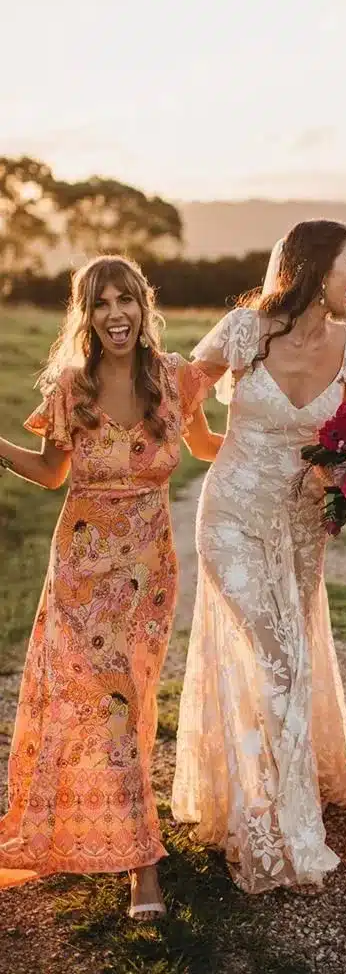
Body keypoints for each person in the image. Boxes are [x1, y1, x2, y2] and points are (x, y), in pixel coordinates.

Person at [0, 256, 221, 921]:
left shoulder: (175, 380)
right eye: (101, 304)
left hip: (147, 572)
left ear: (143, 304)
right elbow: (48, 470)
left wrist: (290, 447)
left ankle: (125, 845)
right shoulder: (71, 387)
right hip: (79, 568)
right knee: (94, 701)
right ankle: (138, 865)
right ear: (87, 316)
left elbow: (208, 445)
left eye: (125, 299)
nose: (115, 314)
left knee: (129, 703)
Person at [172, 219, 346, 894]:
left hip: (301, 528)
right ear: (316, 270)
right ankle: (283, 833)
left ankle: (257, 798)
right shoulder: (241, 330)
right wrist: (208, 443)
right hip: (230, 515)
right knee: (277, 658)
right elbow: (180, 399)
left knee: (289, 656)